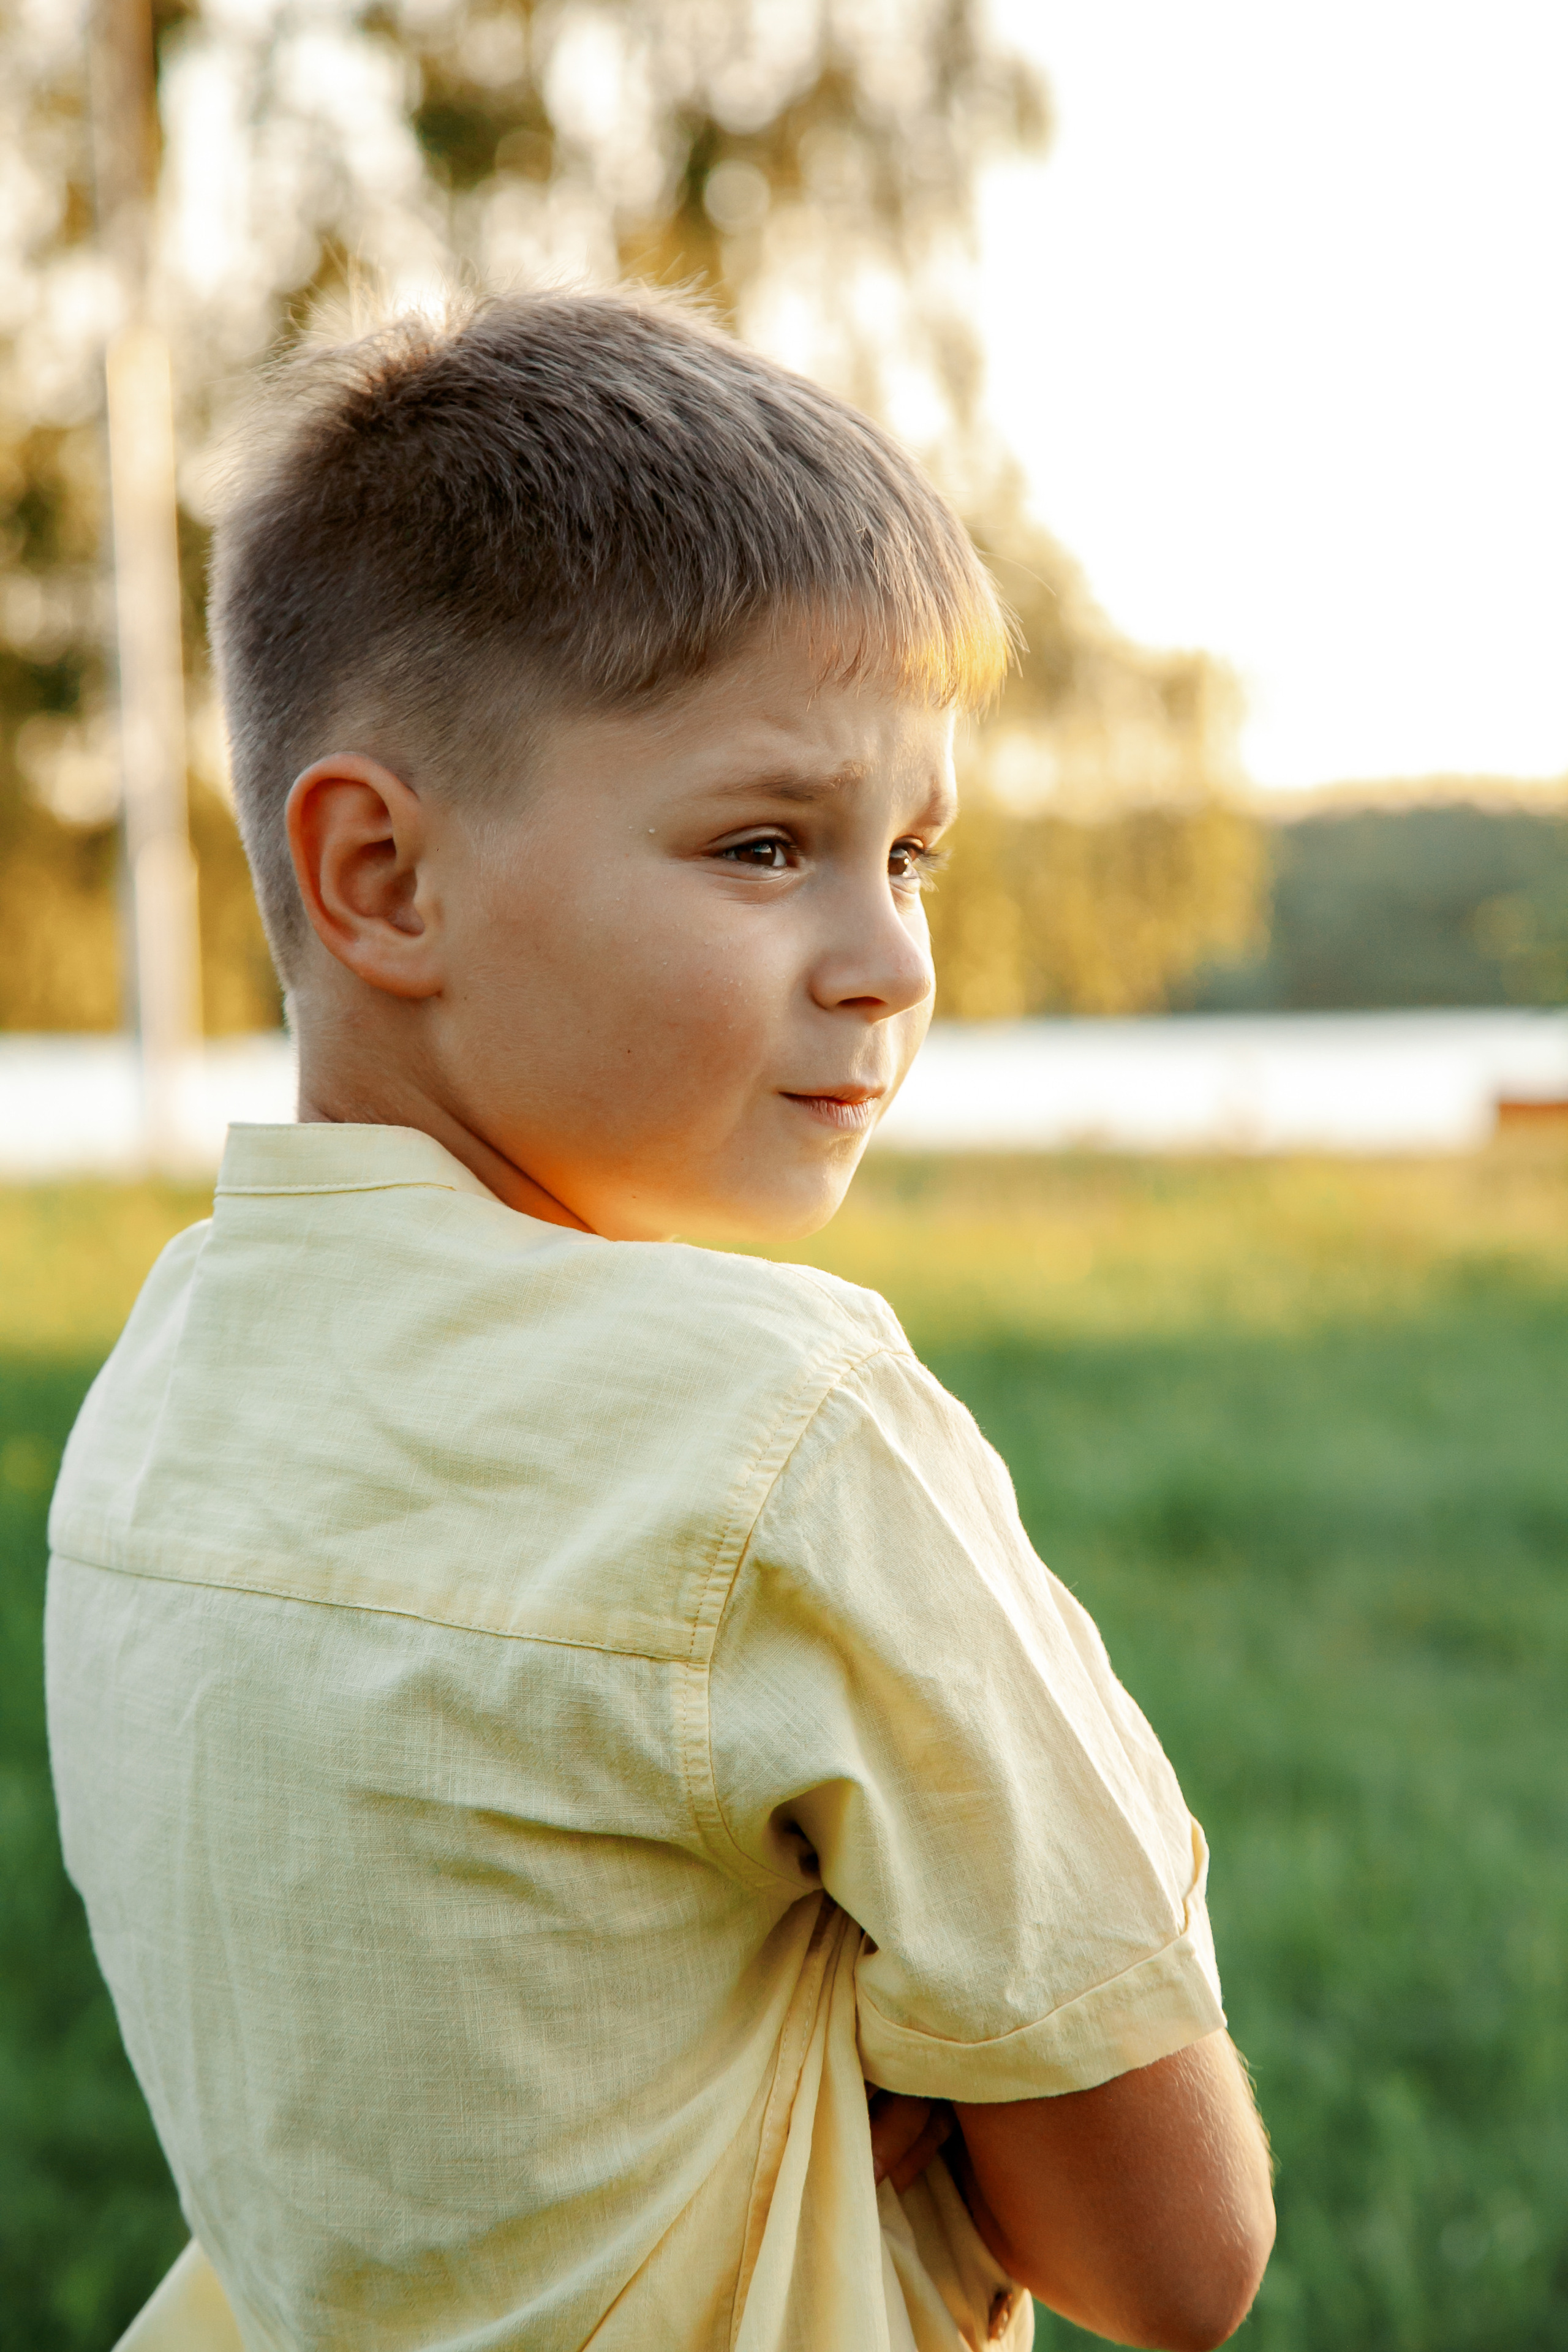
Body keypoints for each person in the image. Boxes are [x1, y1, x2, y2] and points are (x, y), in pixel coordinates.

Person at [46, 290, 1274, 2352]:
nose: (891, 957)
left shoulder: (159, 1391)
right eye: (766, 845)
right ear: (382, 878)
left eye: (912, 855)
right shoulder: (788, 1428)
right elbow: (1175, 2260)